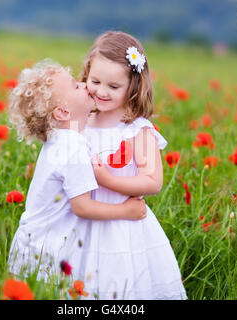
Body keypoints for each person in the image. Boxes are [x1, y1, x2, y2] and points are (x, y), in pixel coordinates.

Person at [6, 59, 147, 284]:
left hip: (30, 245)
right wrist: (125, 210)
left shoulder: (60, 141)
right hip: (45, 253)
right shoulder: (72, 147)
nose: (84, 85)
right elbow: (82, 206)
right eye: (75, 86)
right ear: (62, 112)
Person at [79, 31, 188, 300]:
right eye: (95, 81)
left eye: (113, 87)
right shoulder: (81, 119)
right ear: (86, 75)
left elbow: (153, 181)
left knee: (119, 284)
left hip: (123, 222)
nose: (101, 92)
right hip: (82, 215)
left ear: (133, 86)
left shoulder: (136, 129)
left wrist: (108, 180)